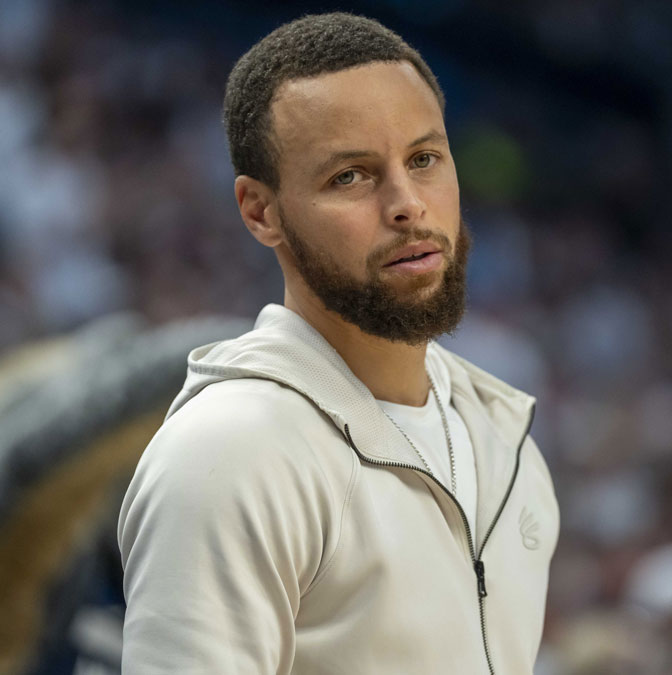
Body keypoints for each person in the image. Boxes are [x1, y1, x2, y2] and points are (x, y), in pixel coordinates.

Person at [117, 12, 560, 674]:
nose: (407, 203)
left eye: (424, 158)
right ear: (259, 212)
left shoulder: (505, 440)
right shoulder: (231, 454)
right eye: (350, 176)